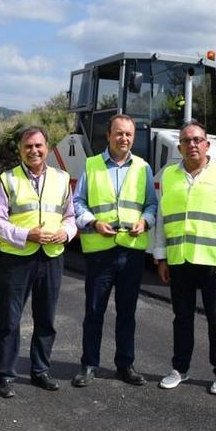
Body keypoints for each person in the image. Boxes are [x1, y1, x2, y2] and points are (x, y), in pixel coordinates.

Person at [153, 120, 216, 395]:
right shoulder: (169, 176)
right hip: (180, 261)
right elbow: (162, 219)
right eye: (186, 141)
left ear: (207, 144)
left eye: (197, 140)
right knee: (181, 318)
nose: (192, 144)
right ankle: (179, 369)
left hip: (213, 262)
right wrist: (160, 256)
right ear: (179, 147)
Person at [0, 126, 77, 398]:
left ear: (47, 148)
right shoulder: (7, 179)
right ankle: (5, 375)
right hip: (16, 259)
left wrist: (67, 232)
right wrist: (27, 234)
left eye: (38, 146)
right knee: (9, 320)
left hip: (51, 258)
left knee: (46, 318)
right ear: (20, 150)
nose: (34, 151)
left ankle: (40, 371)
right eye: (28, 146)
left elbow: (70, 216)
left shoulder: (62, 179)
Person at [70, 114, 157, 387]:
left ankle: (125, 365)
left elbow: (152, 205)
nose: (124, 139)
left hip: (131, 252)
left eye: (129, 134)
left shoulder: (143, 168)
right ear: (108, 135)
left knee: (127, 313)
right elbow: (78, 202)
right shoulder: (92, 165)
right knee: (94, 310)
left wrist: (145, 221)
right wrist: (94, 223)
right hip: (100, 252)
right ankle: (88, 365)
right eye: (119, 133)